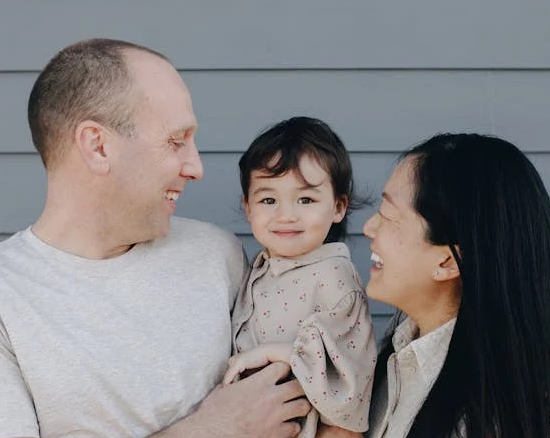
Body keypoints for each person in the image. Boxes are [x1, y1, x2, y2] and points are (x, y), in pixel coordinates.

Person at [0, 39, 310, 438]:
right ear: (98, 146)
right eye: (176, 141)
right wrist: (213, 429)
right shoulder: (9, 299)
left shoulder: (218, 255)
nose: (196, 167)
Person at [352, 133, 549, 438]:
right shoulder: (400, 348)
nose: (368, 228)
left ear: (447, 262)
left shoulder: (479, 422)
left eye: (388, 216)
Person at [224, 117, 377, 437]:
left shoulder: (334, 277)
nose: (286, 215)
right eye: (268, 200)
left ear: (338, 207)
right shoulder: (259, 266)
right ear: (248, 206)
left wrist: (274, 353)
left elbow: (348, 365)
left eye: (305, 199)